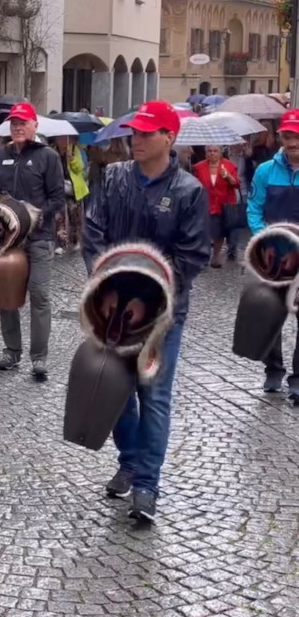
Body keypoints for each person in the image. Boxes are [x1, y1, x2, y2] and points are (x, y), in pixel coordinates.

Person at [83, 100, 210, 523]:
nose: (135, 139)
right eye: (133, 132)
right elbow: (93, 233)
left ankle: (146, 486)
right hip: (113, 311)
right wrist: (106, 286)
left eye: (145, 133)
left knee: (153, 396)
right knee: (115, 390)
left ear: (168, 138)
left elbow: (191, 258)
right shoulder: (115, 177)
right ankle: (131, 458)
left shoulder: (189, 192)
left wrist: (146, 293)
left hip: (161, 316)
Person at [0, 101, 65, 380]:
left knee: (40, 294)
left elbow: (58, 198)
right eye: (14, 123)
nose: (18, 127)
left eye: (23, 122)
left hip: (39, 238)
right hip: (8, 239)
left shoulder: (48, 157)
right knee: (6, 293)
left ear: (35, 125)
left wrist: (37, 216)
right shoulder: (1, 155)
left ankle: (39, 357)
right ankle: (11, 350)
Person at [246, 108, 299, 397]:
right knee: (271, 314)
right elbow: (254, 209)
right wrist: (261, 238)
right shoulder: (266, 171)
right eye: (287, 136)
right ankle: (273, 371)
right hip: (273, 257)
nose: (292, 143)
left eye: (296, 137)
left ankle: (298, 377)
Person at [192, 145, 240, 267]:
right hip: (205, 203)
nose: (212, 153)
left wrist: (227, 176)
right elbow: (194, 185)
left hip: (224, 204)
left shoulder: (229, 165)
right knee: (204, 231)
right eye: (209, 151)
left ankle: (216, 256)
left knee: (218, 232)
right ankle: (203, 256)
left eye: (215, 151)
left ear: (220, 153)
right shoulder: (199, 167)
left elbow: (236, 184)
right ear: (205, 153)